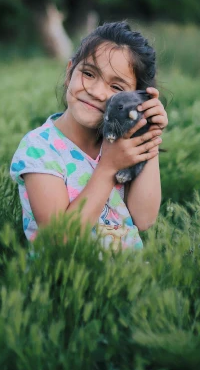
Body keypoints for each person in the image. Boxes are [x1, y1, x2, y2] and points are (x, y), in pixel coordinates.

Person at [9, 21, 168, 251]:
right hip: (68, 282)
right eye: (88, 73)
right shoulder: (40, 149)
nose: (96, 91)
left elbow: (144, 219)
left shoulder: (123, 144)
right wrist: (109, 167)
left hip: (130, 280)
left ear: (137, 98)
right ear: (69, 72)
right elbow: (59, 239)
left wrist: (148, 132)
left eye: (116, 87)